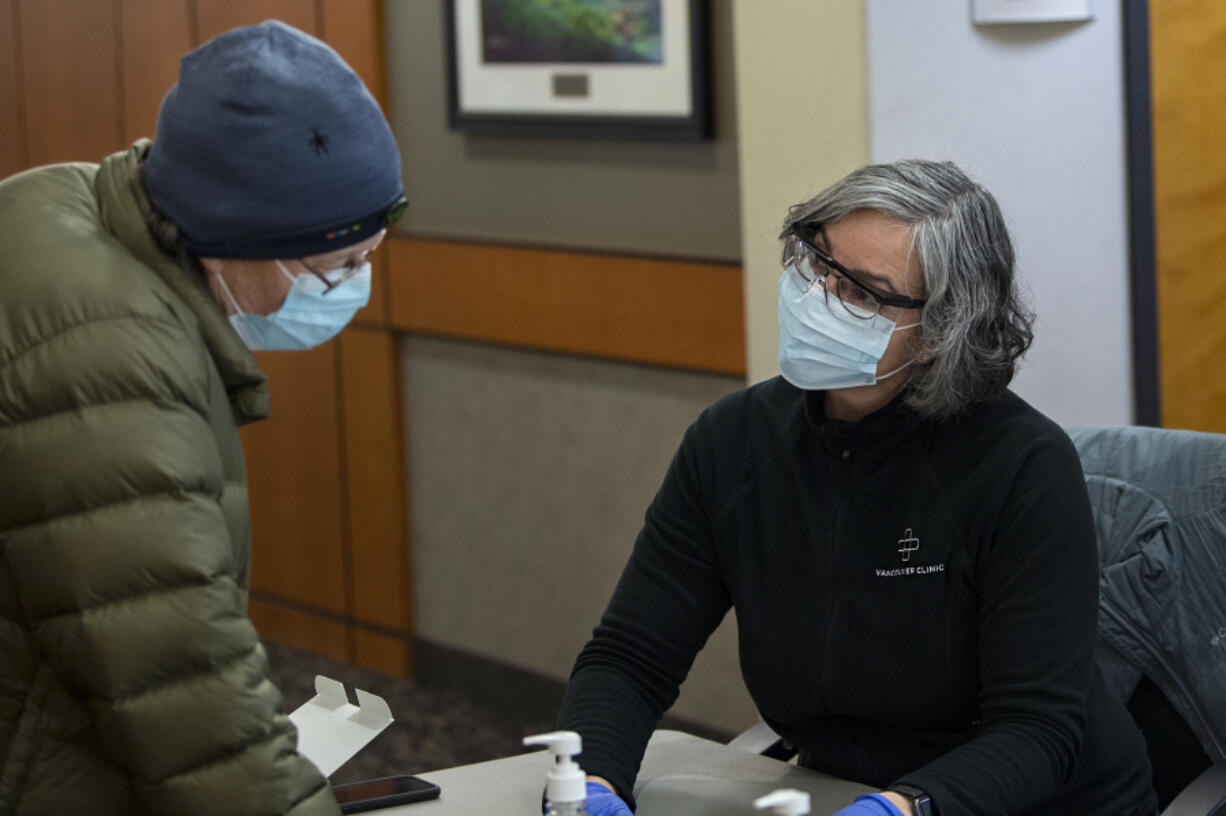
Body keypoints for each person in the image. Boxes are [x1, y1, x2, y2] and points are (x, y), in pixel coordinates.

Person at [555, 160, 1159, 816]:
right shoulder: (731, 443)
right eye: (818, 264)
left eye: (865, 292)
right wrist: (593, 782)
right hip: (836, 792)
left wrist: (902, 809)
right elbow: (630, 656)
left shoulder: (1022, 466)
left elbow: (1037, 732)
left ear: (936, 333)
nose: (821, 299)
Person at [0, 20, 405, 815]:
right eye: (337, 267)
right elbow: (180, 677)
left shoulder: (66, 199)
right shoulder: (111, 354)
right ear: (229, 243)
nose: (355, 287)